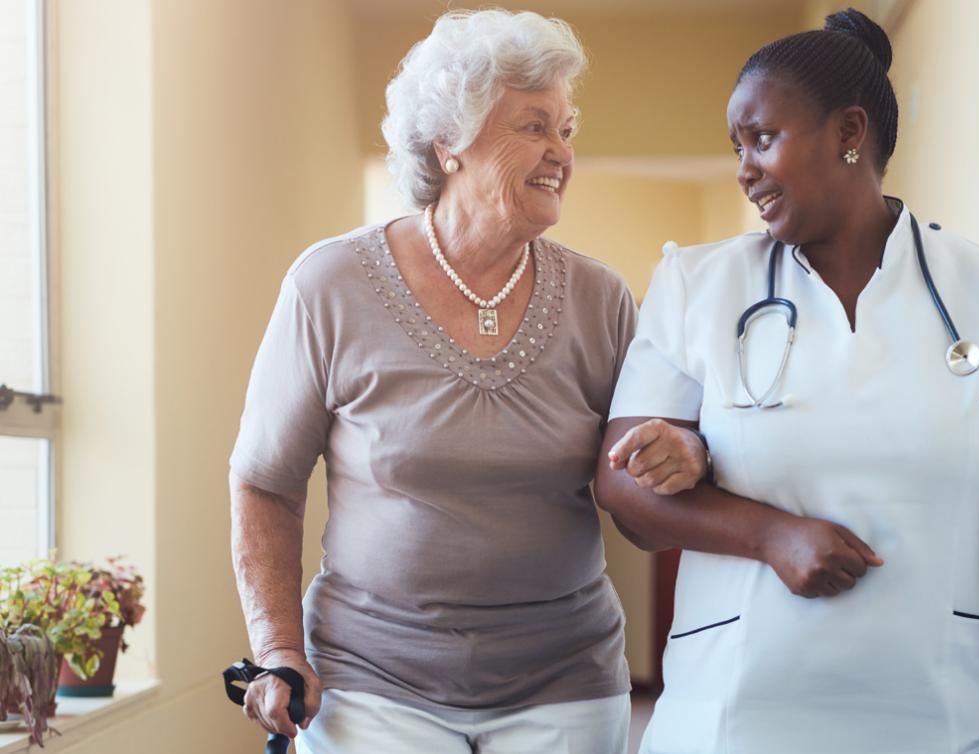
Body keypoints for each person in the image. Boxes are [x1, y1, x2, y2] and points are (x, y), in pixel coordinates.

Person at [595, 8, 979, 754]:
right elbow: (622, 489)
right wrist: (771, 536)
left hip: (937, 713)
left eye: (762, 139)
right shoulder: (697, 284)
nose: (743, 169)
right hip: (736, 715)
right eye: (737, 147)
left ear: (849, 133)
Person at [228, 9, 705, 753]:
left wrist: (681, 456)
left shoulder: (600, 300)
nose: (561, 153)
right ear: (448, 142)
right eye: (533, 126)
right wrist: (279, 648)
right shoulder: (331, 285)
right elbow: (265, 482)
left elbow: (642, 503)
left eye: (567, 130)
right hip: (372, 683)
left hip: (564, 681)